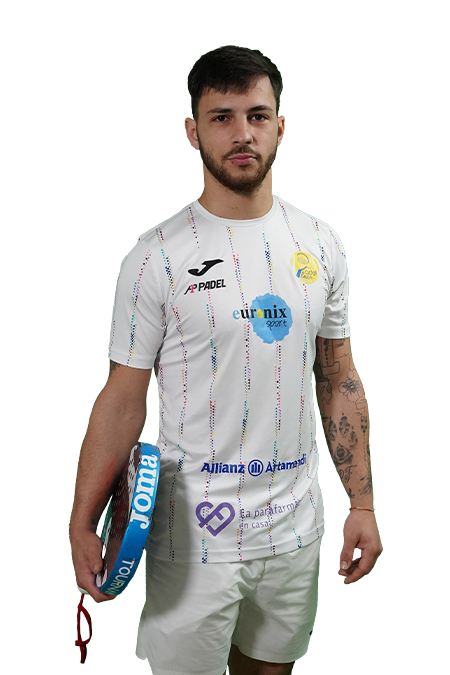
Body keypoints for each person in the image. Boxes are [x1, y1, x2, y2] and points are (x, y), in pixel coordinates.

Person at [69, 46, 382, 675]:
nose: (243, 134)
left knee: (270, 669)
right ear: (193, 132)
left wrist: (362, 503)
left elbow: (338, 376)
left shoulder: (321, 244)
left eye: (257, 115)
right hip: (193, 535)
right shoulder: (154, 257)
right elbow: (123, 398)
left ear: (281, 127)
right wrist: (83, 520)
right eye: (222, 117)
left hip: (295, 527)